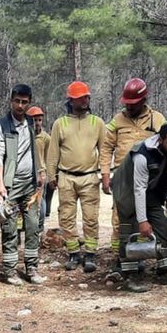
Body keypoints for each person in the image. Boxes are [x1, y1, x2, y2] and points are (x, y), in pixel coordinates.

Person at [111, 123, 167, 292]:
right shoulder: (142, 155)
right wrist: (142, 221)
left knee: (162, 224)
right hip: (127, 191)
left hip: (150, 192)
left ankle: (165, 269)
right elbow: (138, 189)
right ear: (160, 139)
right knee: (129, 230)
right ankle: (129, 275)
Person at [101, 78, 167, 252]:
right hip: (123, 180)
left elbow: (166, 148)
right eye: (127, 104)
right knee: (120, 220)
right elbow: (106, 147)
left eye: (134, 104)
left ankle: (146, 253)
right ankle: (120, 255)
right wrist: (106, 175)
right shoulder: (117, 120)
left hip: (149, 180)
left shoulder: (158, 119)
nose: (129, 107)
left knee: (148, 217)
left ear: (144, 100)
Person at [46, 82, 106, 272]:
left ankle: (90, 253)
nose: (85, 100)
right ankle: (73, 253)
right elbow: (53, 152)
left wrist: (105, 175)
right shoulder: (60, 124)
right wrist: (51, 175)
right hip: (66, 177)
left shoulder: (97, 123)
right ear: (71, 101)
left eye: (87, 97)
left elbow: (104, 151)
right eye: (81, 98)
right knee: (66, 217)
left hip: (89, 177)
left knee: (90, 217)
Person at [0, 84, 46, 286]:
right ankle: (9, 269)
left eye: (24, 102)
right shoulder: (2, 126)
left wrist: (39, 174)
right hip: (10, 186)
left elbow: (36, 150)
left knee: (33, 226)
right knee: (9, 228)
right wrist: (0, 184)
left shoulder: (32, 124)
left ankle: (31, 268)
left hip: (29, 185)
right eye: (17, 101)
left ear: (29, 103)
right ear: (11, 101)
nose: (20, 105)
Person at [28, 106, 52, 230]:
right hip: (26, 173)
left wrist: (47, 175)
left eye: (39, 120)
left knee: (39, 202)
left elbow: (49, 158)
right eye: (34, 120)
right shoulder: (25, 136)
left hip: (40, 173)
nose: (37, 123)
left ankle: (40, 227)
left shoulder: (46, 138)